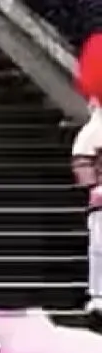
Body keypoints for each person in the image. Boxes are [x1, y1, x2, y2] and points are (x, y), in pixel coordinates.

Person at [72, 35, 102, 319]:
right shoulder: (97, 126)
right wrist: (94, 185)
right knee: (100, 248)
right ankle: (98, 295)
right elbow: (82, 156)